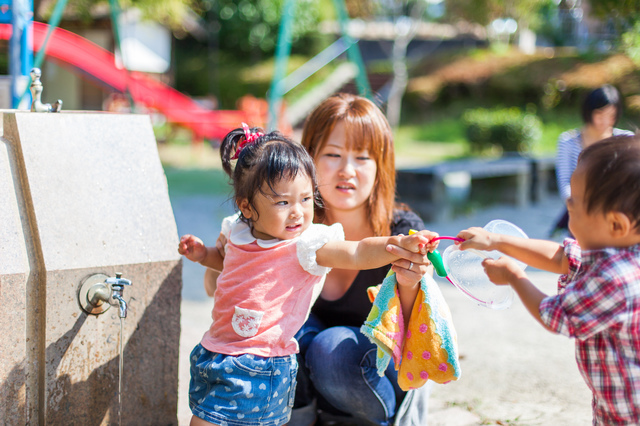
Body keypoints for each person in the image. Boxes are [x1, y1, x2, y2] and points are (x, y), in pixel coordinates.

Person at [179, 123, 438, 426]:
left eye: (305, 199)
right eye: (283, 202)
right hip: (216, 351)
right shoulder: (238, 230)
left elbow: (357, 252)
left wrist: (397, 244)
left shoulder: (307, 243)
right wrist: (203, 255)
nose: (298, 212)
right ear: (247, 207)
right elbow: (229, 265)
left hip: (261, 364)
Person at [457, 134, 640, 424]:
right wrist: (494, 240)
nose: (567, 207)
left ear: (616, 224)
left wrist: (514, 276)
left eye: (574, 205)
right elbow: (561, 257)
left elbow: (558, 316)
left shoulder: (617, 278)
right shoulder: (618, 255)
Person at [552, 84, 633, 236]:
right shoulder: (568, 141)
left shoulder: (626, 139)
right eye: (600, 115)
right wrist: (580, 206)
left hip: (617, 212)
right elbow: (565, 183)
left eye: (611, 116)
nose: (605, 121)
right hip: (582, 211)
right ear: (588, 112)